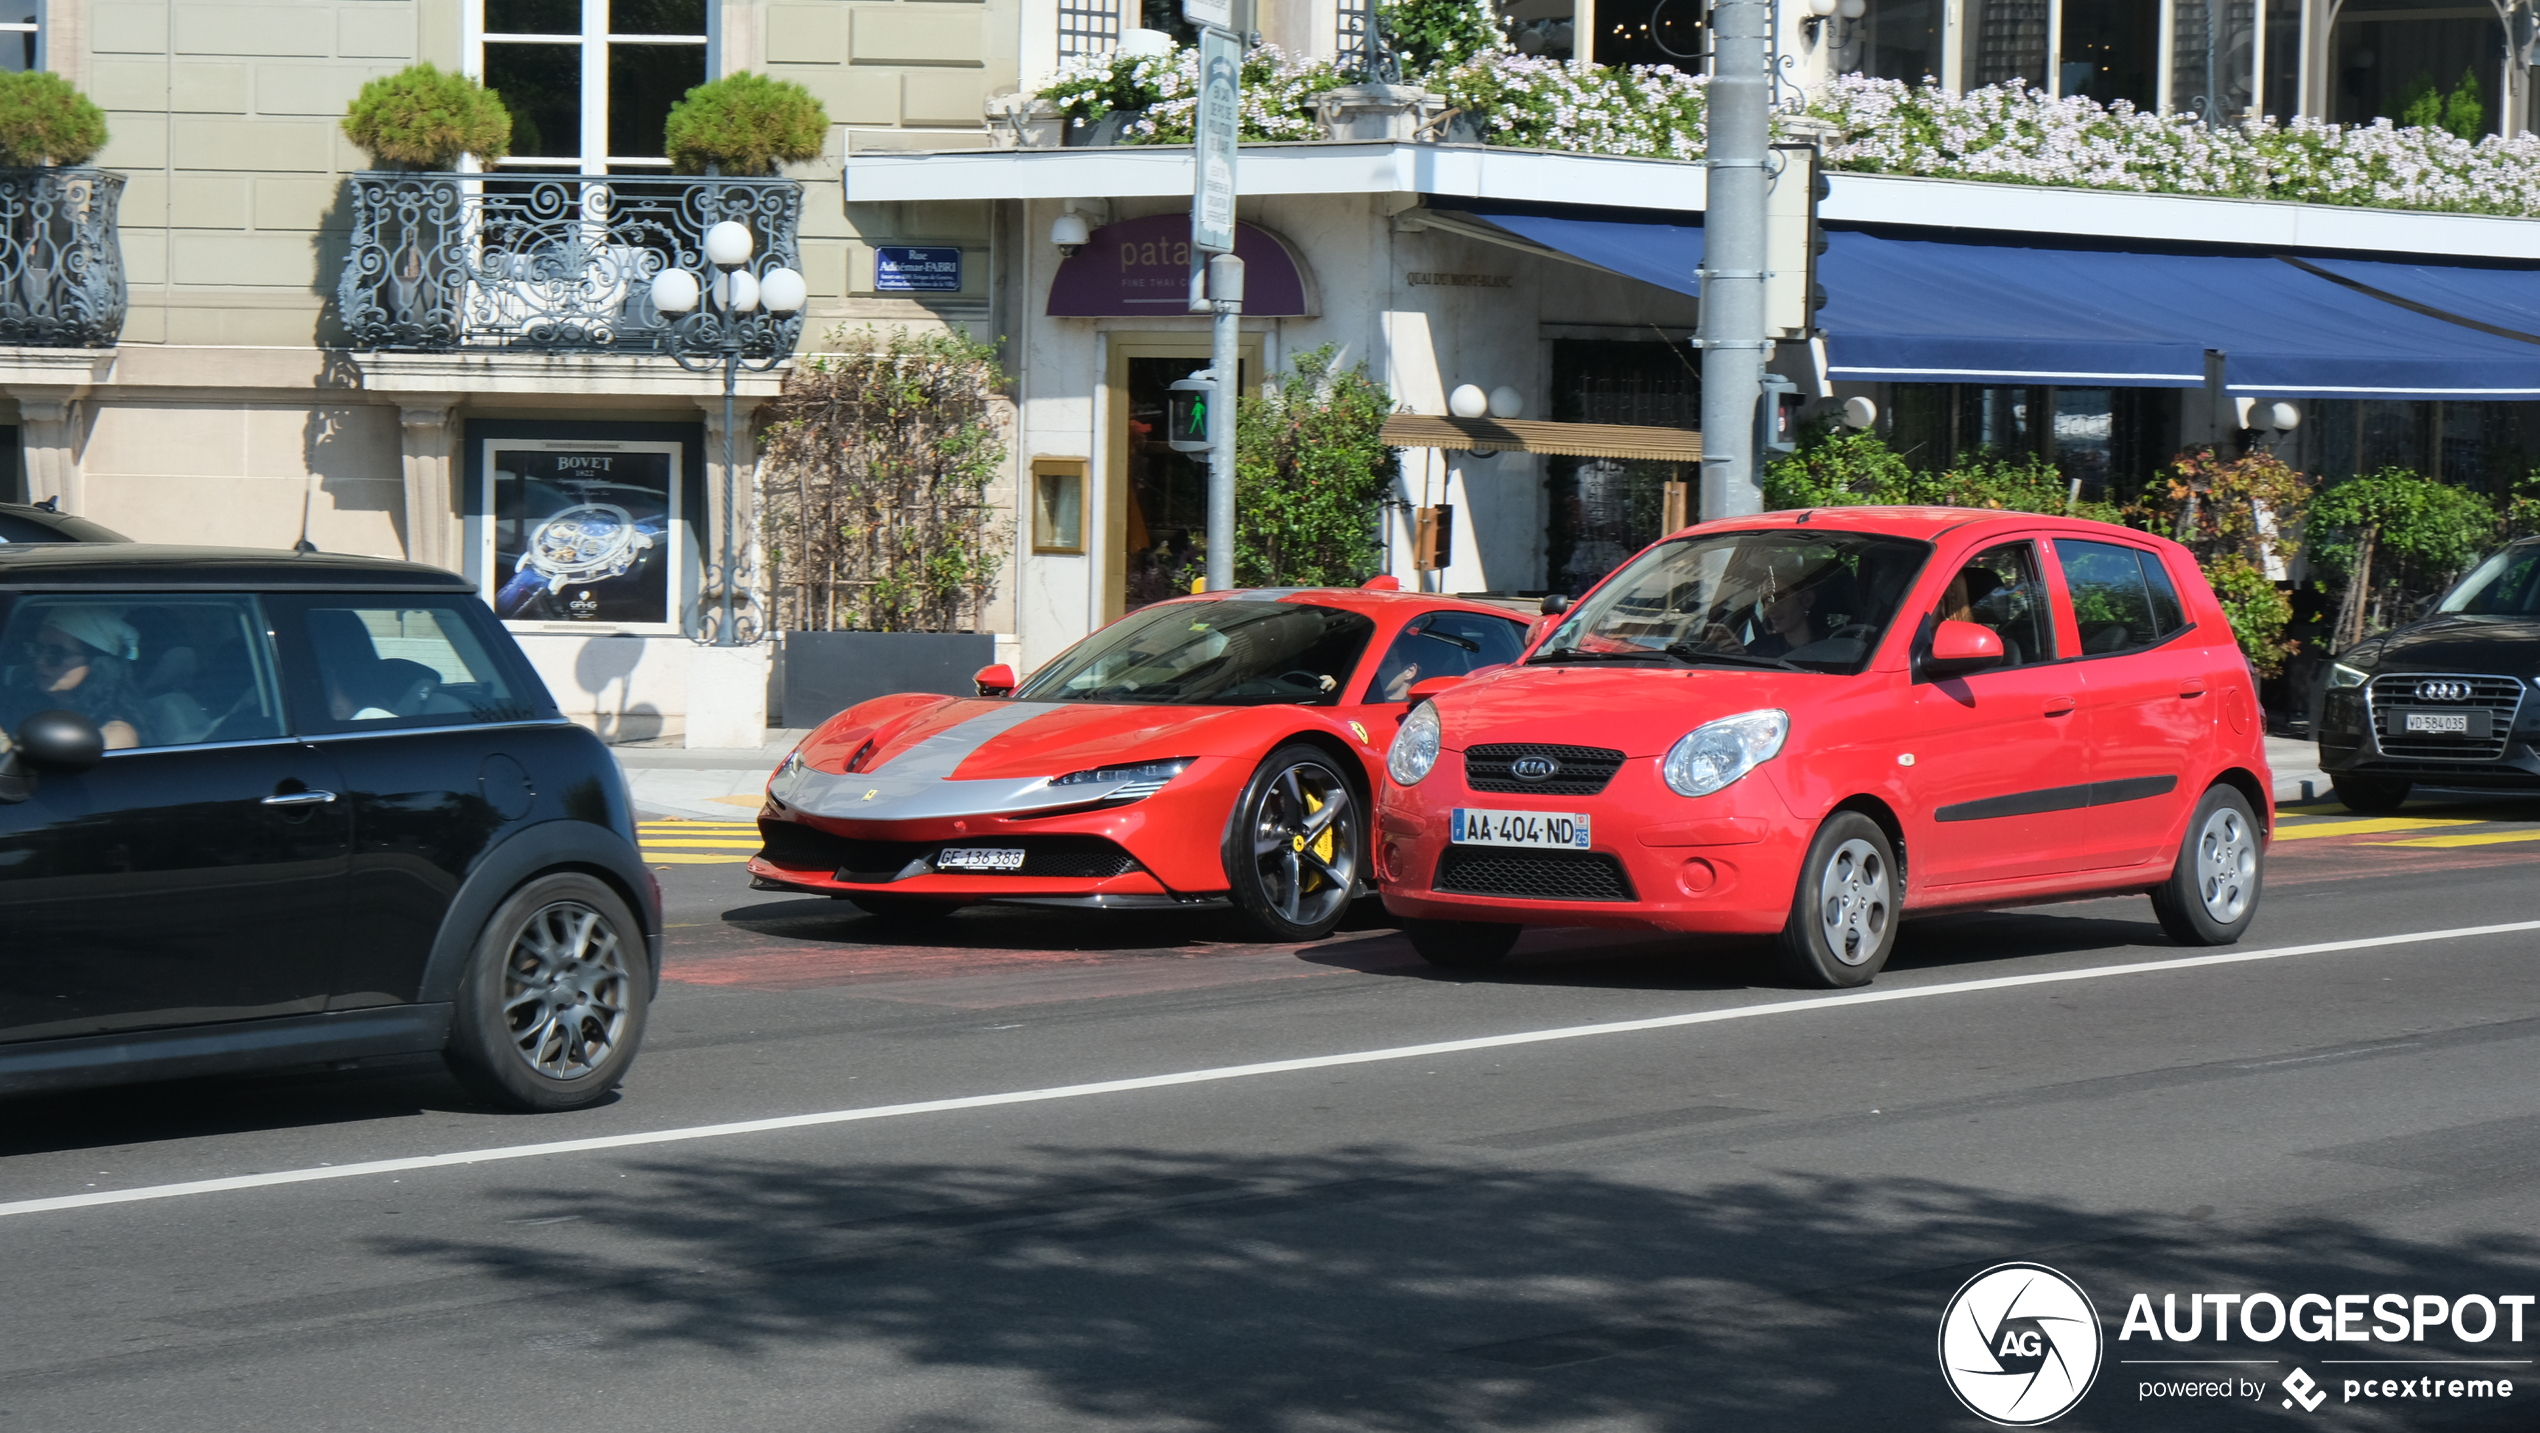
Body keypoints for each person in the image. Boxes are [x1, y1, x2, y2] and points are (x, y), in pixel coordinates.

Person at [4, 606, 146, 750]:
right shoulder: (26, 702)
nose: (40, 661)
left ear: (96, 664)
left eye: (57, 653)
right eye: (38, 649)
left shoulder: (114, 734)